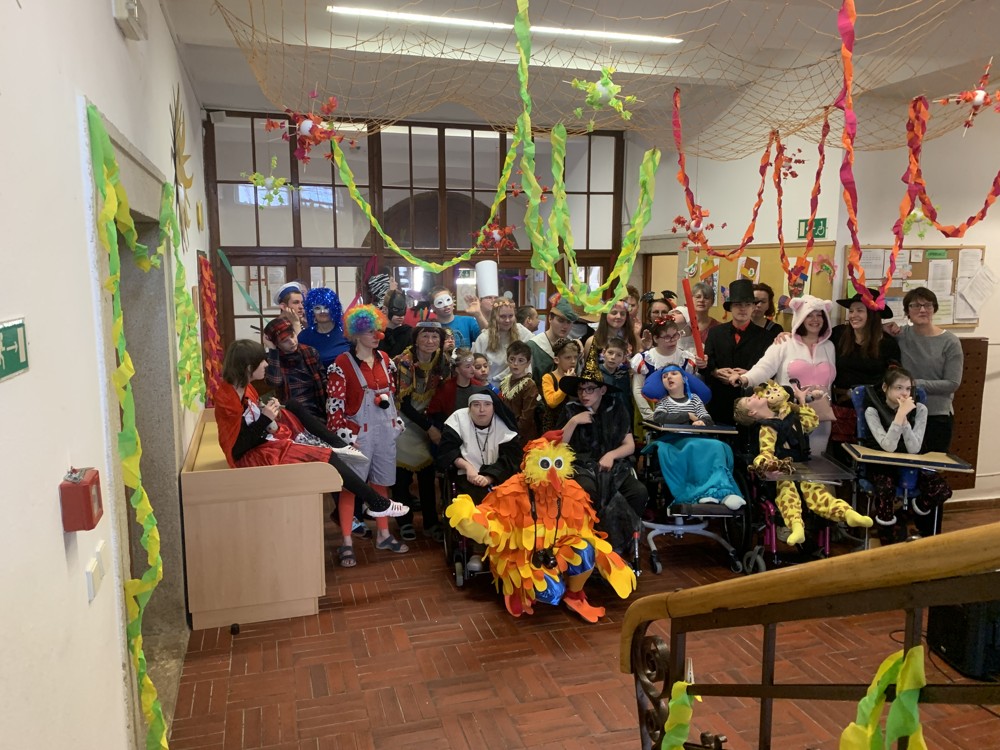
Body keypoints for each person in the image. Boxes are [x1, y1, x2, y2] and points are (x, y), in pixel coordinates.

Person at [215, 339, 406, 529]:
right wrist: (265, 418)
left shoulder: (246, 387)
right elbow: (237, 448)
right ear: (249, 368)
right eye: (261, 361)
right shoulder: (227, 399)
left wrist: (267, 411)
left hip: (261, 437)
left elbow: (252, 417)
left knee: (293, 405)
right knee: (326, 456)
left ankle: (339, 445)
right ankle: (376, 501)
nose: (266, 364)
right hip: (249, 455)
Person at [445, 432, 636, 621]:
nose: (552, 471)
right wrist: (471, 518)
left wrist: (609, 560)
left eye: (557, 464)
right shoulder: (513, 490)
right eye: (545, 464)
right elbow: (494, 521)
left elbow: (585, 533)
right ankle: (539, 587)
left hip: (556, 551)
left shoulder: (571, 490)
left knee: (586, 548)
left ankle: (575, 595)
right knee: (553, 593)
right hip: (524, 559)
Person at [734, 380, 872, 545]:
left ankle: (848, 513)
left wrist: (800, 400)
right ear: (752, 412)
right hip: (781, 472)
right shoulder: (766, 428)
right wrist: (768, 467)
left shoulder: (790, 416)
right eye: (749, 399)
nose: (754, 395)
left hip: (802, 467)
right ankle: (796, 526)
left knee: (818, 492)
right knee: (787, 492)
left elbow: (811, 422)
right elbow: (766, 452)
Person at [326, 305, 410, 565]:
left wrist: (395, 423)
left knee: (381, 484)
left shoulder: (385, 360)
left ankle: (383, 534)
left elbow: (392, 395)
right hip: (357, 436)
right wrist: (343, 437)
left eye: (379, 330)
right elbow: (334, 406)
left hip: (384, 432)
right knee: (350, 487)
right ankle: (346, 542)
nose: (377, 336)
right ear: (356, 333)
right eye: (370, 331)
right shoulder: (341, 365)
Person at [558, 347, 649, 556]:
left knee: (638, 491)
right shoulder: (571, 410)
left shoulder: (616, 408)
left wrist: (611, 455)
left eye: (590, 389)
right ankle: (590, 543)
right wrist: (573, 422)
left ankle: (623, 540)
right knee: (587, 490)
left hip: (613, 466)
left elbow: (629, 445)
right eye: (581, 390)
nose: (584, 394)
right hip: (581, 466)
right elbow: (558, 447)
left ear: (602, 390)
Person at [734, 294, 837, 457]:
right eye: (809, 315)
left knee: (816, 463)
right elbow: (764, 367)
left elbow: (830, 383)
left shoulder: (829, 347)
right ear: (800, 317)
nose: (815, 319)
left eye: (819, 315)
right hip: (788, 417)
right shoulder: (784, 343)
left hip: (821, 417)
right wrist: (745, 379)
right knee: (788, 461)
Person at [860, 368, 952, 543]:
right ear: (885, 388)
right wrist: (900, 415)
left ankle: (902, 517)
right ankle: (887, 535)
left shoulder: (920, 409)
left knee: (941, 489)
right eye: (898, 388)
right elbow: (888, 446)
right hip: (882, 463)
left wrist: (905, 420)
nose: (904, 393)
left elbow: (914, 448)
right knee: (885, 488)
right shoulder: (872, 411)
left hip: (910, 462)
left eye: (908, 389)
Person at [641, 365, 744, 509]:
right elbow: (660, 418)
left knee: (719, 446)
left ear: (684, 379)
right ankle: (703, 492)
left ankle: (722, 492)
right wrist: (687, 415)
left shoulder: (694, 399)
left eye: (674, 374)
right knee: (696, 446)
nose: (669, 377)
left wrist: (702, 422)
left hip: (697, 439)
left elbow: (708, 419)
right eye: (665, 376)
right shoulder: (663, 401)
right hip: (674, 441)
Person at [393, 321, 452, 542]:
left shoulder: (442, 360)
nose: (430, 341)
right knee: (401, 477)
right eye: (425, 336)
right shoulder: (404, 362)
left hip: (430, 419)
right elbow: (404, 404)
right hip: (404, 422)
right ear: (416, 339)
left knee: (427, 477)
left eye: (435, 337)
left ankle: (430, 522)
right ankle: (404, 521)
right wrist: (430, 428)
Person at [829, 289, 901, 453]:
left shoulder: (888, 344)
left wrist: (861, 394)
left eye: (860, 310)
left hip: (874, 411)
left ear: (873, 314)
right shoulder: (838, 334)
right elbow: (810, 336)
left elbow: (894, 380)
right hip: (841, 411)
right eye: (851, 311)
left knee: (870, 456)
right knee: (841, 458)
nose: (853, 315)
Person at [894, 287, 963, 454]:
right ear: (907, 311)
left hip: (937, 415)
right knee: (905, 466)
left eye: (928, 305)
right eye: (915, 305)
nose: (922, 310)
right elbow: (874, 330)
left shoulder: (950, 342)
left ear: (934, 309)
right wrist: (886, 326)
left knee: (931, 466)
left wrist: (914, 384)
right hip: (906, 414)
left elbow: (952, 383)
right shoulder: (901, 335)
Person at [702, 279, 774, 426]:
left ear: (753, 307)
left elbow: (770, 369)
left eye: (747, 304)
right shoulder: (716, 333)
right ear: (730, 307)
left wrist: (749, 375)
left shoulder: (766, 337)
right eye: (738, 305)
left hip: (751, 402)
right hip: (719, 400)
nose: (743, 309)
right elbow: (705, 364)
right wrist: (715, 372)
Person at [437, 390, 522, 504]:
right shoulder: (458, 420)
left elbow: (511, 459)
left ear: (494, 407)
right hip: (466, 476)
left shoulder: (503, 425)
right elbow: (447, 451)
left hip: (499, 475)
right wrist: (468, 467)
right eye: (476, 405)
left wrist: (490, 477)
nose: (482, 410)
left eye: (487, 404)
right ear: (469, 407)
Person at [631, 320, 706, 423]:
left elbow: (688, 389)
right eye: (667, 337)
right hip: (651, 410)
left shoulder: (686, 359)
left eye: (675, 335)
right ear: (655, 338)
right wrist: (649, 415)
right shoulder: (645, 359)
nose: (672, 340)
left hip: (681, 413)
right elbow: (637, 389)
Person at [262, 316, 327, 421]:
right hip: (291, 414)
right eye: (285, 341)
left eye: (292, 336)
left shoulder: (309, 351)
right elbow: (275, 382)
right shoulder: (273, 359)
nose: (292, 342)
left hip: (316, 409)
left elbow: (324, 381)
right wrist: (272, 350)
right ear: (276, 344)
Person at [526, 297, 591, 384]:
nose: (565, 326)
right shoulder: (533, 347)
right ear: (550, 318)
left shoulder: (573, 348)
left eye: (569, 322)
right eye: (561, 320)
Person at [472, 298, 532, 387]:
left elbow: (534, 347)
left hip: (516, 384)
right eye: (503, 316)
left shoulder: (521, 331)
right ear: (494, 317)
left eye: (511, 316)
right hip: (491, 386)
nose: (507, 320)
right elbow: (475, 365)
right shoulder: (484, 338)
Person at [427, 348, 487, 424]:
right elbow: (434, 412)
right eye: (468, 366)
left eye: (473, 365)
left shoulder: (479, 387)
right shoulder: (446, 389)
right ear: (457, 369)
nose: (473, 369)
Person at [297, 287, 350, 369]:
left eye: (326, 307)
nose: (322, 311)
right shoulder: (304, 337)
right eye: (317, 308)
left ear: (334, 309)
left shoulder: (347, 332)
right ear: (311, 311)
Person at [499, 340, 539, 442]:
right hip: (504, 430)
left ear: (528, 363)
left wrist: (515, 432)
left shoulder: (529, 385)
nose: (515, 364)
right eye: (512, 359)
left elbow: (527, 416)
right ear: (507, 360)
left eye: (521, 360)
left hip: (522, 435)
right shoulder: (504, 381)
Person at [539, 338, 582, 433]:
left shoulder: (577, 378)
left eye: (575, 357)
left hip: (572, 424)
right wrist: (566, 383)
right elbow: (551, 402)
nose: (573, 361)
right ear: (557, 360)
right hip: (554, 426)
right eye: (568, 358)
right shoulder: (548, 378)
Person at [599, 337, 634, 425]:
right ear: (603, 352)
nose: (613, 357)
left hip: (623, 419)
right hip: (602, 419)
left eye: (618, 355)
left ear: (623, 358)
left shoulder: (624, 375)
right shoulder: (595, 373)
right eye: (610, 353)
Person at [379, 289, 413, 359]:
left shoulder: (409, 333)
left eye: (402, 310)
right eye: (395, 310)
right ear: (385, 309)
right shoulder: (377, 334)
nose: (400, 315)